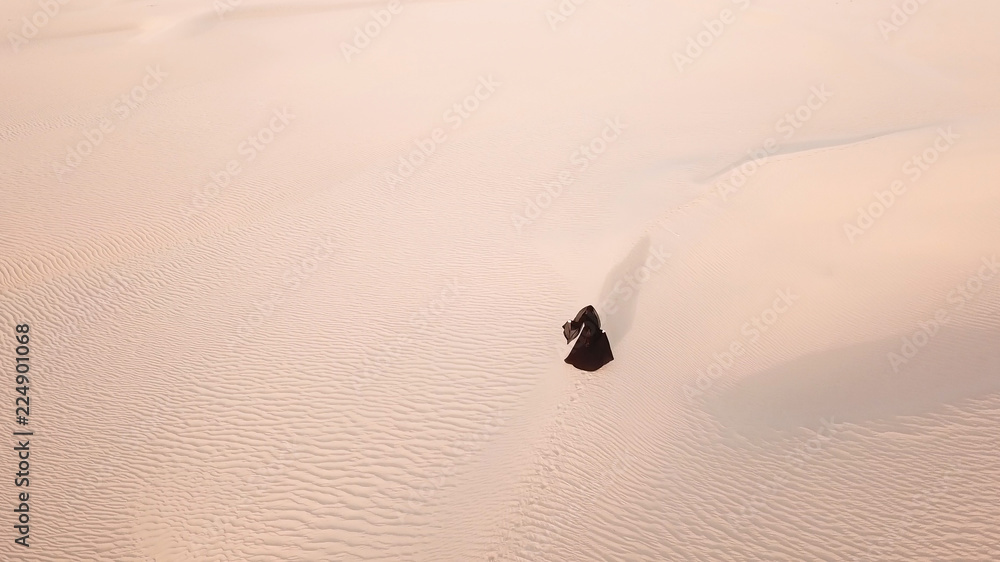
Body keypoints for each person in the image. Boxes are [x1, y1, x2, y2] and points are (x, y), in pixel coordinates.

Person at [562, 305, 614, 371]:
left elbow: (577, 324)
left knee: (584, 345)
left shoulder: (585, 316)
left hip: (587, 332)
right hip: (589, 332)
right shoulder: (590, 318)